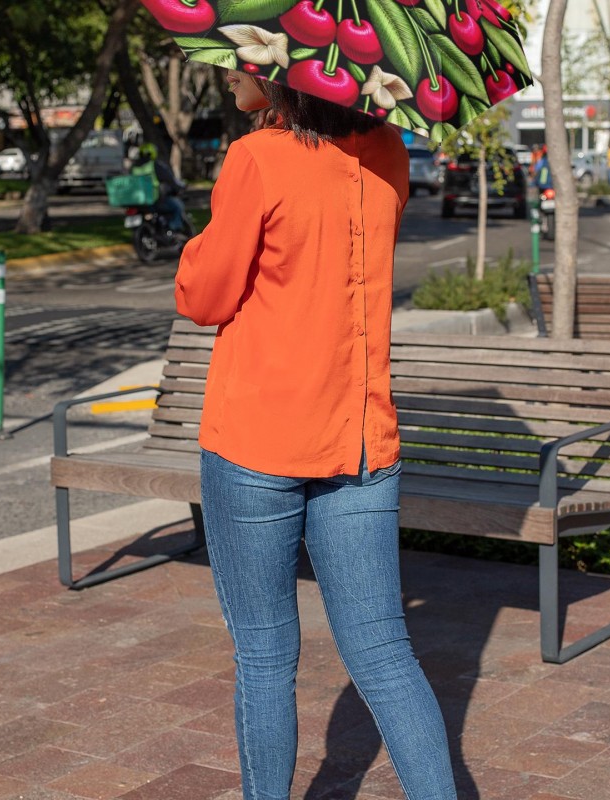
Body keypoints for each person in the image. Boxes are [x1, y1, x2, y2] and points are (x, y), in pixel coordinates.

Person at [174, 70, 457, 800]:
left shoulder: (256, 158)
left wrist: (198, 243)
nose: (230, 66)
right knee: (388, 658)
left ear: (283, 66)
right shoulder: (387, 150)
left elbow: (205, 298)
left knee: (267, 661)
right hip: (361, 442)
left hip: (258, 441)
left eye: (244, 51)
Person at [130, 142, 186, 231]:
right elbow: (169, 179)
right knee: (178, 206)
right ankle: (174, 229)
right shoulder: (155, 166)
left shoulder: (133, 168)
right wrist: (178, 188)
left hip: (138, 202)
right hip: (154, 201)